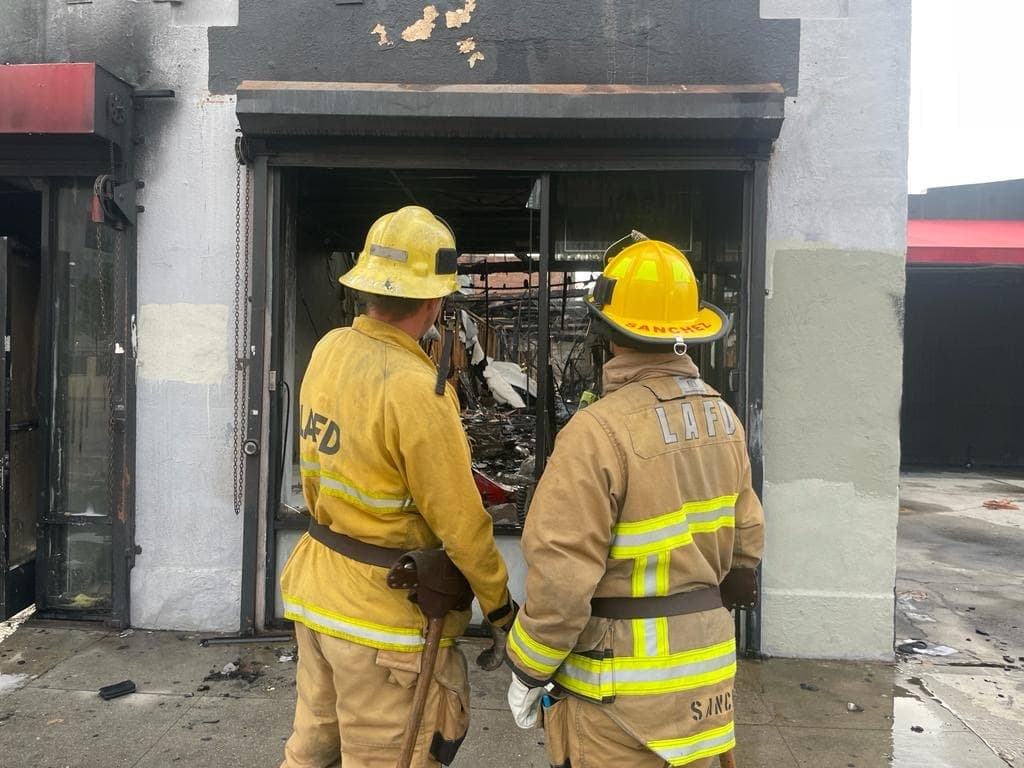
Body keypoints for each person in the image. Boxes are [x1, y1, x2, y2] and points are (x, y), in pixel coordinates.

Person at [505, 236, 765, 767]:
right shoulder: (725, 419)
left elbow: (561, 576)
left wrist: (529, 669)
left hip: (619, 703)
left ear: (607, 333)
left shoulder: (597, 431)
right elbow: (747, 547)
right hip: (707, 693)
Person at [280, 205, 516, 768]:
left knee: (310, 753)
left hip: (318, 599)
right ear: (435, 301)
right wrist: (501, 609)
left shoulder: (329, 351)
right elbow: (461, 523)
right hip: (382, 625)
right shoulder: (416, 390)